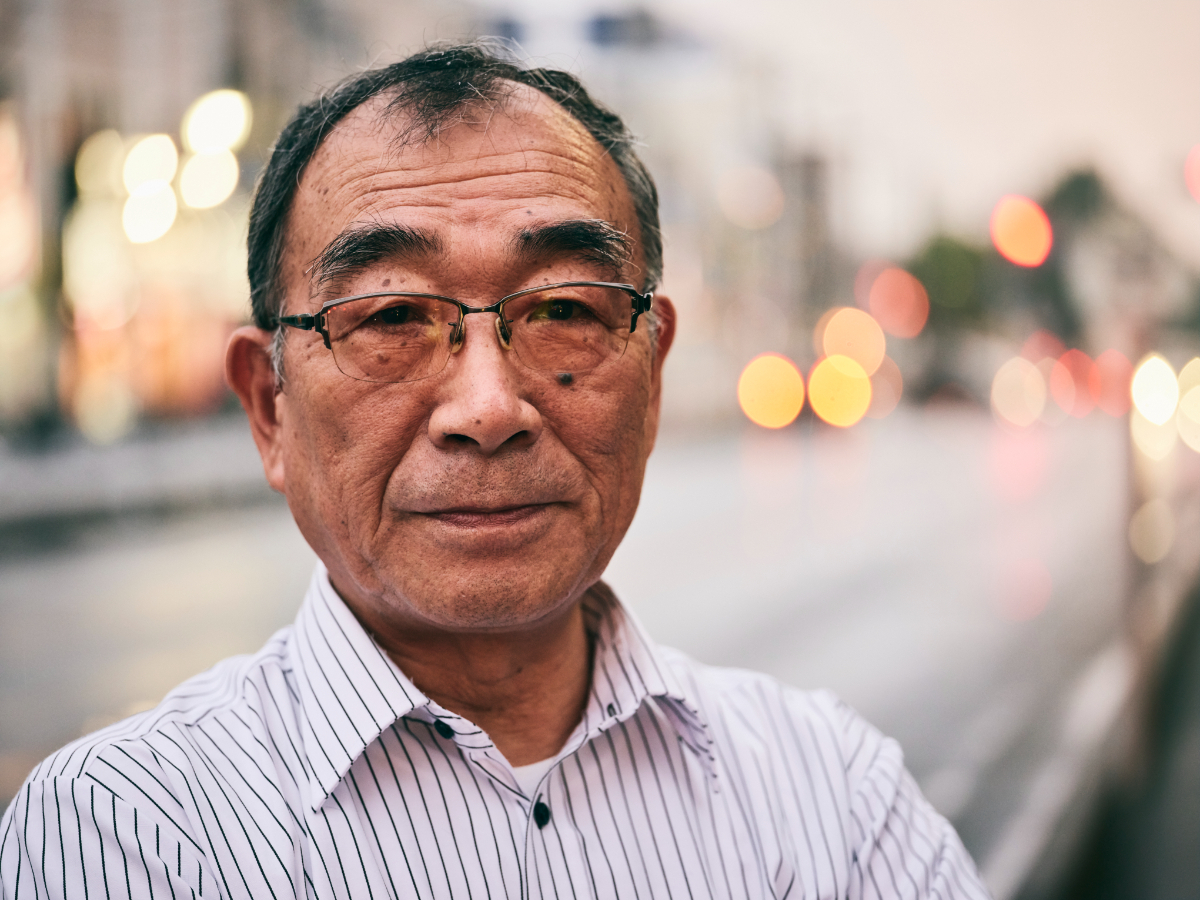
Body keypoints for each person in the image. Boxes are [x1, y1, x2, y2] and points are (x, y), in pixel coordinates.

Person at [0, 42, 990, 899]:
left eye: (564, 308)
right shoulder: (130, 832)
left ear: (651, 375)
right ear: (269, 405)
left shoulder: (830, 798)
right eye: (391, 317)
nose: (487, 409)